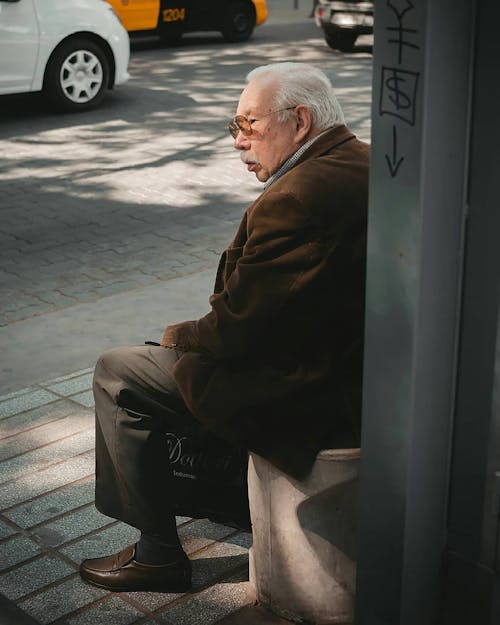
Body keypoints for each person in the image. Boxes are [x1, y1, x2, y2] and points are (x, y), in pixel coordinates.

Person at [79, 62, 370, 593]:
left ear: (300, 121)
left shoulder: (295, 199)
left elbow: (235, 331)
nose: (238, 141)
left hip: (312, 389)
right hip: (351, 364)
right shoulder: (363, 161)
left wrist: (180, 335)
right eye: (234, 126)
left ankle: (158, 553)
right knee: (170, 365)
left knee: (119, 372)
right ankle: (225, 493)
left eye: (248, 124)